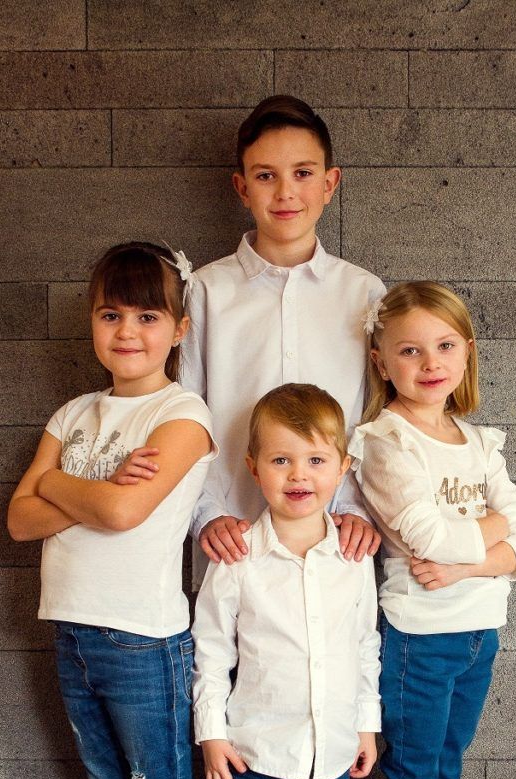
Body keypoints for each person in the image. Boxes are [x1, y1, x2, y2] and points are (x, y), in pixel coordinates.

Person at [7, 242, 217, 779]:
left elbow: (126, 512)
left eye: (147, 315)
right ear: (93, 322)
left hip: (141, 640)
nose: (127, 330)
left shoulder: (182, 415)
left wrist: (61, 482)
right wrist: (85, 486)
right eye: (110, 313)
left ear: (179, 327)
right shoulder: (74, 412)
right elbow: (19, 519)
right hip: (72, 633)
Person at [349, 281, 516, 779]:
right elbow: (423, 536)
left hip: (476, 635)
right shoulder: (383, 441)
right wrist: (492, 536)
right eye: (409, 349)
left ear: (466, 352)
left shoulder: (478, 441)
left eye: (444, 345)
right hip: (419, 642)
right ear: (381, 360)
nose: (429, 362)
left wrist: (468, 560)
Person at [192, 384, 381, 779]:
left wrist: (365, 723)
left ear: (341, 467)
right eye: (279, 460)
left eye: (314, 460)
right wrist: (211, 736)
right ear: (252, 467)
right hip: (251, 752)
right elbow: (209, 653)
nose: (298, 475)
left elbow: (364, 645)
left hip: (329, 751)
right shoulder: (236, 555)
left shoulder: (353, 558)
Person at [179, 94, 386, 582]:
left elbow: (376, 417)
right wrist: (205, 514)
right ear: (242, 187)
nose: (286, 192)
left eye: (304, 173)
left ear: (330, 183)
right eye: (266, 175)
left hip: (335, 538)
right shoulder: (208, 290)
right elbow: (186, 413)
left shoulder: (364, 292)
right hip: (232, 538)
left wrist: (358, 507)